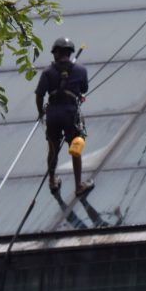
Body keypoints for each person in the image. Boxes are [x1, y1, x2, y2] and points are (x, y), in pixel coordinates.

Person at [35, 37, 93, 196]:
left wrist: (40, 112)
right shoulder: (81, 70)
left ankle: (52, 181)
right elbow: (84, 88)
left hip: (53, 114)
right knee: (75, 147)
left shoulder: (47, 72)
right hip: (70, 114)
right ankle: (78, 185)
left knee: (53, 149)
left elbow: (39, 95)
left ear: (58, 53)